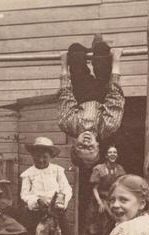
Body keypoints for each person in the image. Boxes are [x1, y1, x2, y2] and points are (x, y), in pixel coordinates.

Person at [58, 36, 125, 169]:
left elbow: (65, 93)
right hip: (104, 93)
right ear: (98, 146)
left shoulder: (67, 124)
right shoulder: (108, 127)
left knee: (74, 49)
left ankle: (86, 53)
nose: (86, 142)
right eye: (90, 147)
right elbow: (115, 94)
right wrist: (116, 60)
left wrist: (64, 64)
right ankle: (97, 49)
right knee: (102, 50)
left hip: (82, 93)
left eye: (81, 146)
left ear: (75, 143)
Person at [19, 136, 74, 235]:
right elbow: (24, 194)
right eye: (37, 156)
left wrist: (61, 202)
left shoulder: (57, 171)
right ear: (32, 155)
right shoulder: (28, 174)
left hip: (56, 212)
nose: (41, 160)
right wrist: (37, 200)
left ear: (50, 157)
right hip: (35, 212)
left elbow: (67, 189)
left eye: (45, 157)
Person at [85, 145, 125, 235]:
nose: (113, 154)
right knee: (96, 225)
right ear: (106, 155)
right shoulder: (99, 169)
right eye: (110, 152)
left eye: (115, 152)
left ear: (117, 155)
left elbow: (122, 187)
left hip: (112, 200)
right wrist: (100, 203)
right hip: (98, 200)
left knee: (112, 223)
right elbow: (94, 188)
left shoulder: (120, 169)